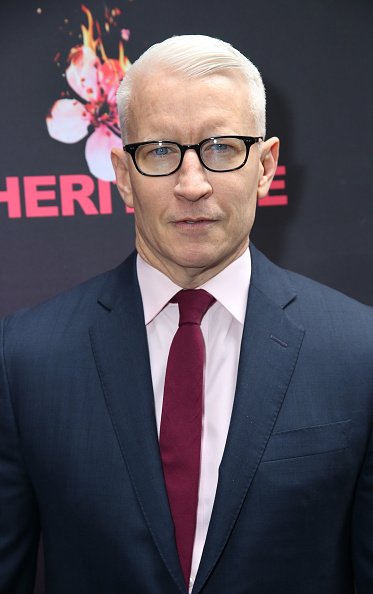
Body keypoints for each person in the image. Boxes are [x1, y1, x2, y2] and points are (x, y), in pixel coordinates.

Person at [0, 34, 372, 594]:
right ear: (123, 175)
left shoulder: (359, 352)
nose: (192, 185)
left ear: (266, 166)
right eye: (160, 151)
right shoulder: (25, 359)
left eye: (222, 148)